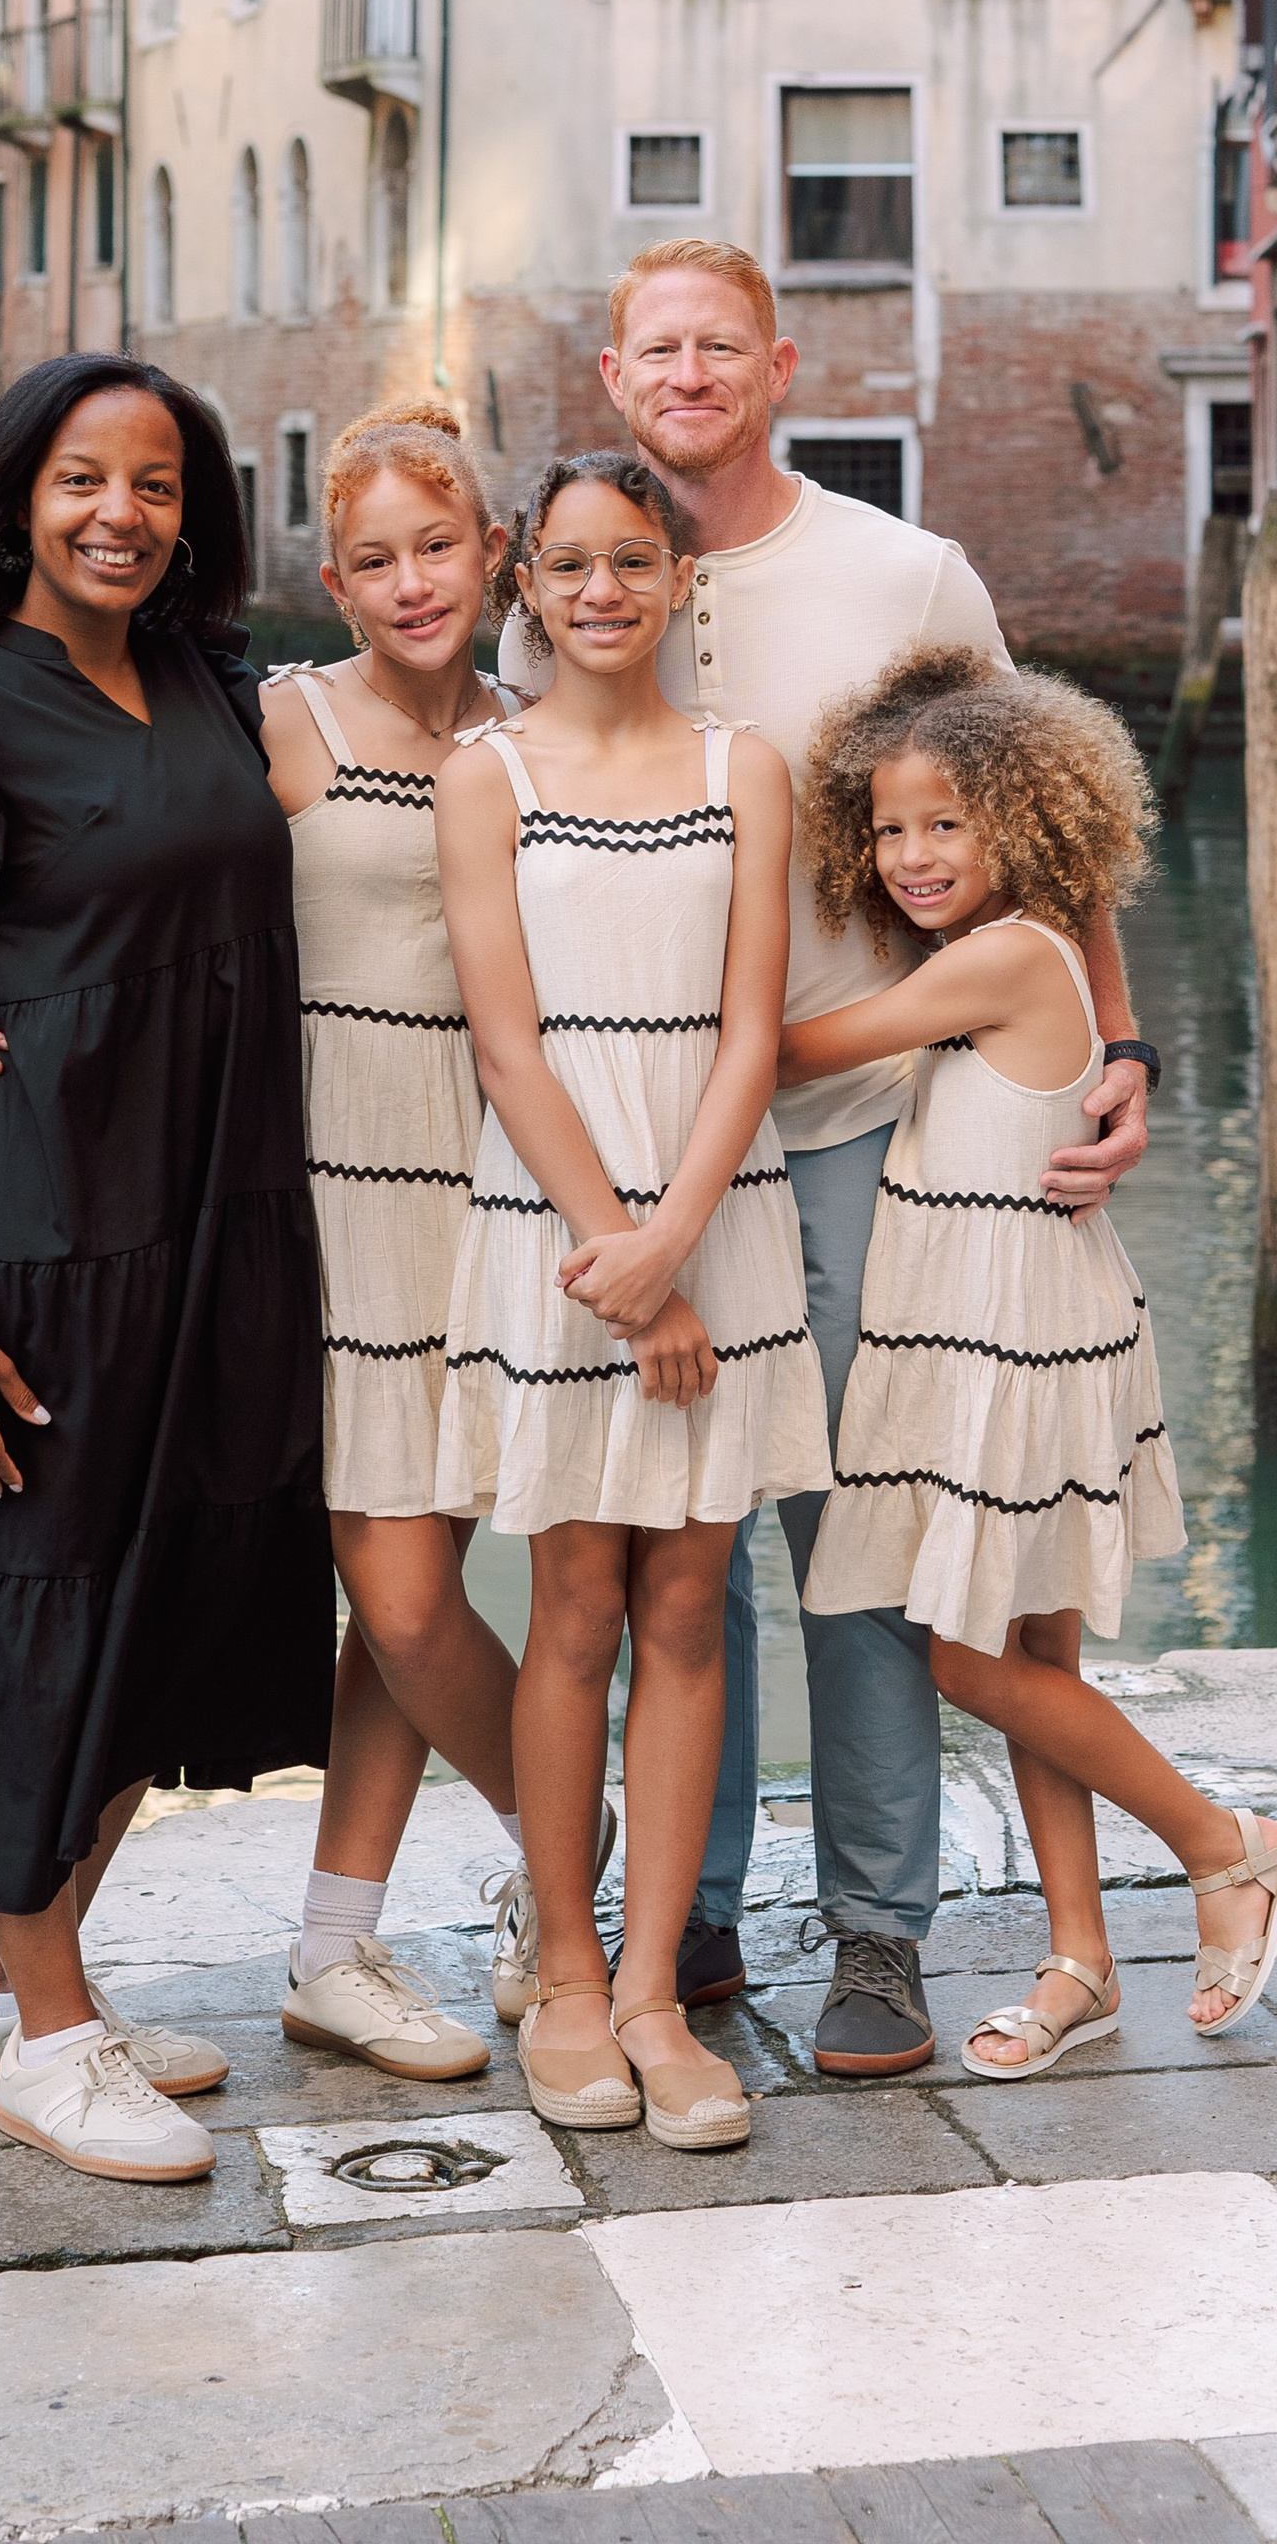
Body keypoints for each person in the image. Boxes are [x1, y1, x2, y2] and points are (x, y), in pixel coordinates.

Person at [500, 242, 1158, 2077]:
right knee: (654, 1552)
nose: (690, 372)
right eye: (658, 348)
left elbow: (1040, 819)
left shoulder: (902, 572)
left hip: (873, 1131)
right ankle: (685, 1920)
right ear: (615, 376)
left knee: (859, 1551)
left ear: (778, 367)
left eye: (723, 344)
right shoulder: (575, 579)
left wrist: (1115, 1047)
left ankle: (879, 1933)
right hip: (639, 1156)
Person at [0, 404, 587, 2082]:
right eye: (371, 556)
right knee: (348, 1584)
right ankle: (588, 1867)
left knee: (407, 1595)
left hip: (482, 1192)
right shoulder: (272, 720)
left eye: (440, 547)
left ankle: (332, 1944)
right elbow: (50, 817)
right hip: (286, 1202)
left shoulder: (539, 744)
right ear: (329, 578)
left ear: (494, 553)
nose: (412, 581)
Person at [0, 353, 332, 2186]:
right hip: (35, 1251)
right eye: (81, 481)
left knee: (163, 1608)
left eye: (159, 485)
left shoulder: (212, 680)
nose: (121, 513)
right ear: (12, 500)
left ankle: (7, 1989)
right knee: (33, 1612)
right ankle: (50, 2033)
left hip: (214, 1225)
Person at [786, 643, 1277, 2071]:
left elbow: (813, 1043)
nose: (909, 855)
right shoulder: (1012, 948)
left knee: (966, 1659)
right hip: (1026, 1322)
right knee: (1039, 1655)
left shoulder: (1009, 957)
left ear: (1030, 822)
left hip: (1011, 1341)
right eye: (886, 829)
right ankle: (1080, 1960)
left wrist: (650, 1028)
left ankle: (1224, 1841)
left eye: (945, 824)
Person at [435, 453, 830, 2151]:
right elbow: (505, 1042)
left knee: (692, 1607)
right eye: (573, 565)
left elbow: (754, 1029)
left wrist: (681, 1238)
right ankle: (574, 1978)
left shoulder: (749, 770)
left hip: (713, 1213)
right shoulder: (487, 774)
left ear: (683, 580)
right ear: (531, 582)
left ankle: (662, 1994)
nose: (603, 591)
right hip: (556, 1230)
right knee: (575, 1606)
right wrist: (622, 1254)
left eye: (634, 562)